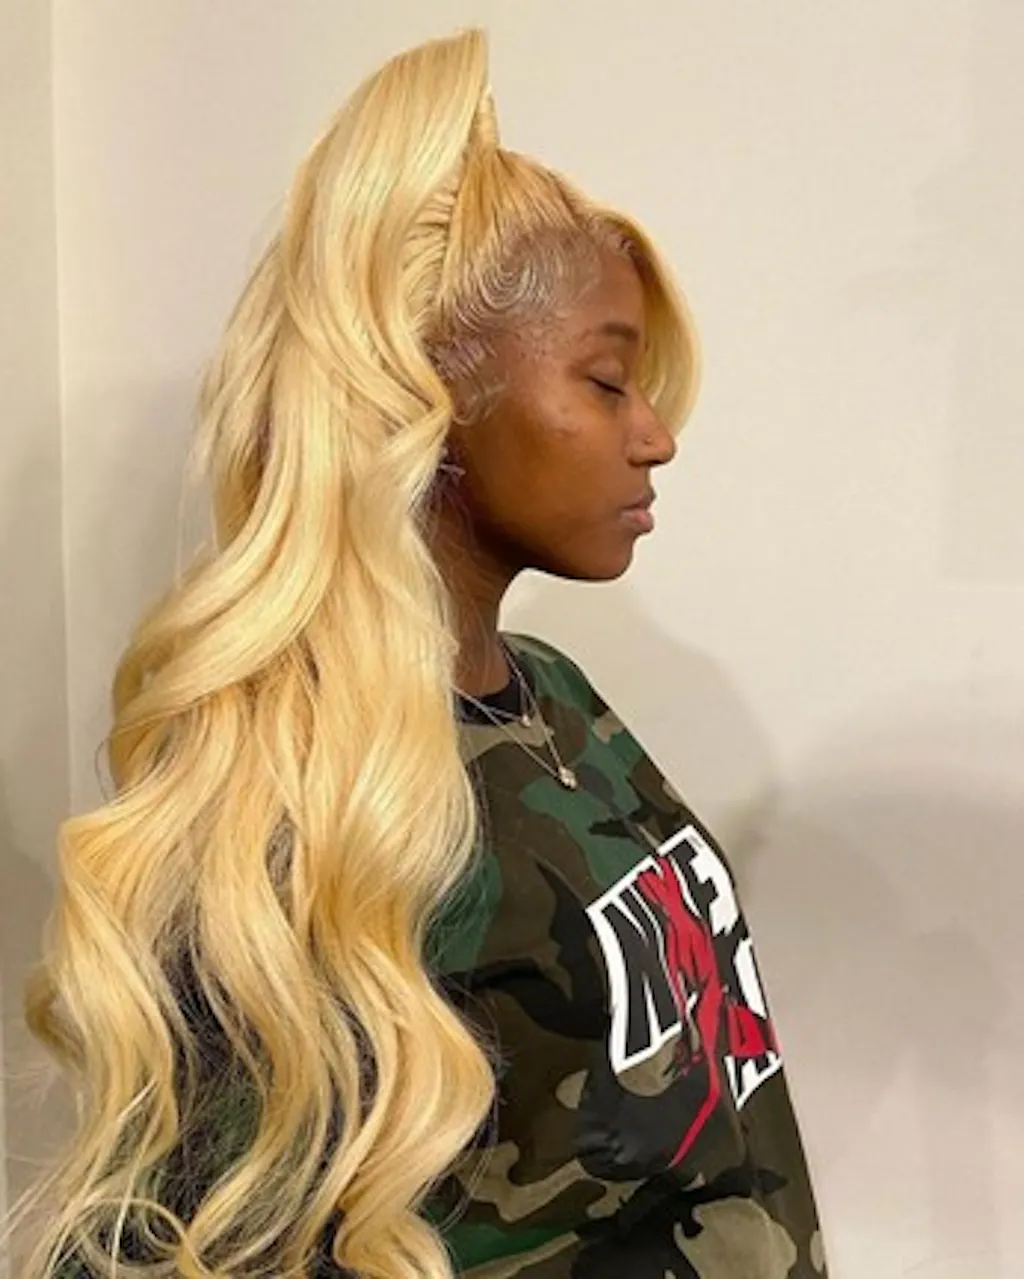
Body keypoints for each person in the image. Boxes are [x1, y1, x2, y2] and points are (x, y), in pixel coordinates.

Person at [4, 28, 826, 1279]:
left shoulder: (558, 701)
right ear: (430, 384)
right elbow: (179, 1239)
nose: (656, 435)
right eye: (607, 382)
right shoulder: (312, 805)